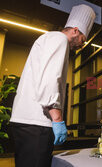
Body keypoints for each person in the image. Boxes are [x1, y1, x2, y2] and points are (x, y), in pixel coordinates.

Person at [10, 4, 96, 167]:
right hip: (37, 124)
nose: (81, 46)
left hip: (25, 121)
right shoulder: (59, 39)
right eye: (83, 40)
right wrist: (57, 119)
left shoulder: (48, 38)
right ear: (75, 31)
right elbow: (50, 80)